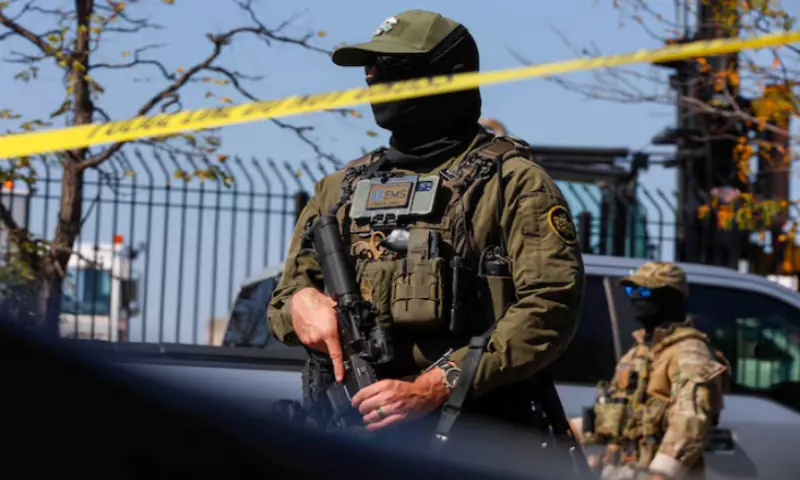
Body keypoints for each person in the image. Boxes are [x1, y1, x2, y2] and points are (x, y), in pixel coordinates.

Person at [266, 8, 585, 467]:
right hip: (344, 440)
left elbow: (550, 307)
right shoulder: (340, 189)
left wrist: (435, 385)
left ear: (445, 77)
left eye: (391, 68)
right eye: (370, 68)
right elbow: (284, 300)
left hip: (470, 442)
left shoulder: (512, 183)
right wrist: (300, 305)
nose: (374, 78)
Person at [569, 261, 730, 480]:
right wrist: (572, 431)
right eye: (631, 289)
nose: (635, 297)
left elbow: (689, 425)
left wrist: (662, 473)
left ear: (671, 297)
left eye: (645, 290)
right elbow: (619, 414)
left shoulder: (690, 353)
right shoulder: (638, 353)